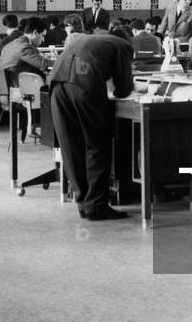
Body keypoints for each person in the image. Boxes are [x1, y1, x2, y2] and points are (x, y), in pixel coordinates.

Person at [48, 18, 134, 220]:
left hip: (57, 85)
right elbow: (123, 89)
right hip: (84, 86)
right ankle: (96, 205)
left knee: (72, 146)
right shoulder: (123, 45)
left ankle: (82, 202)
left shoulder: (89, 39)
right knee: (97, 144)